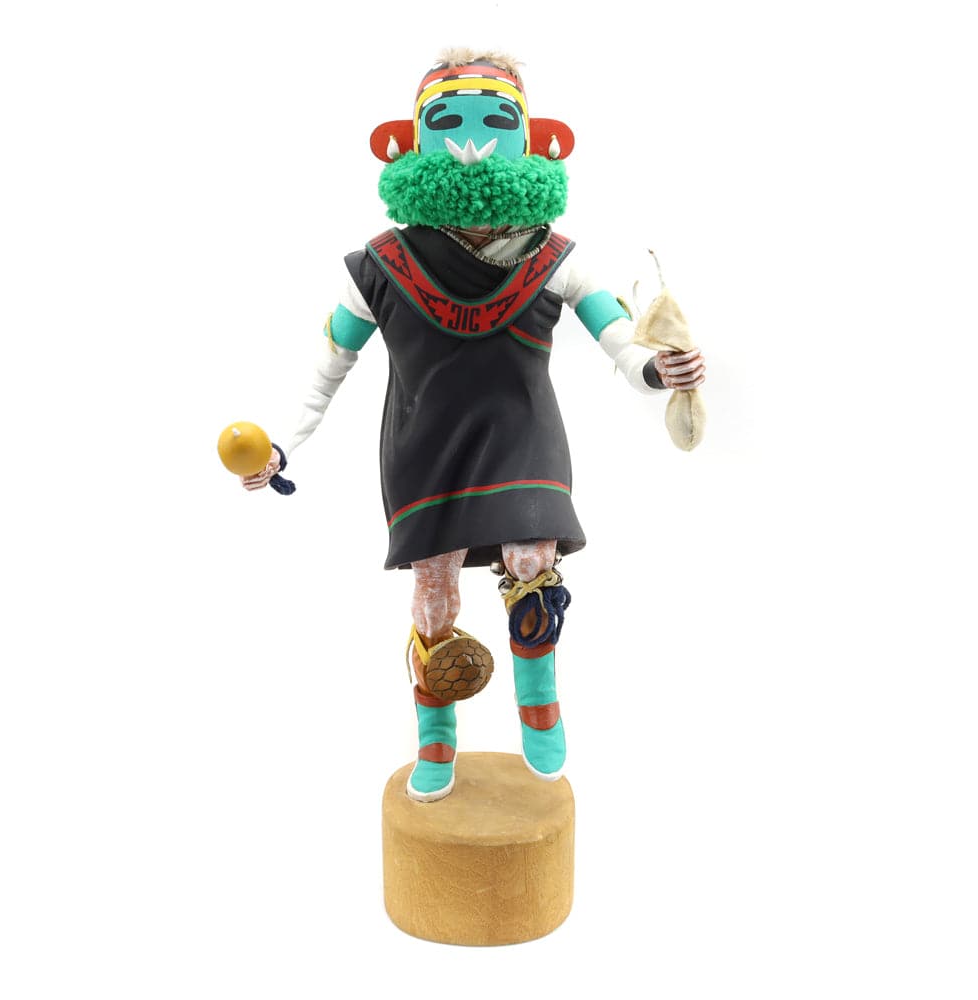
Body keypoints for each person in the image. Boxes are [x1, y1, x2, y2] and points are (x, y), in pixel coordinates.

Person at [241, 50, 706, 802]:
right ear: (410, 138)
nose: (471, 139)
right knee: (435, 592)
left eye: (494, 119)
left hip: (523, 434)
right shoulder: (377, 267)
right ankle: (436, 739)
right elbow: (329, 364)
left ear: (531, 136)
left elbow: (622, 343)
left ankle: (539, 707)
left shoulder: (558, 259)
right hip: (424, 443)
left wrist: (659, 371)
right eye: (447, 120)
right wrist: (280, 443)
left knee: (532, 556)